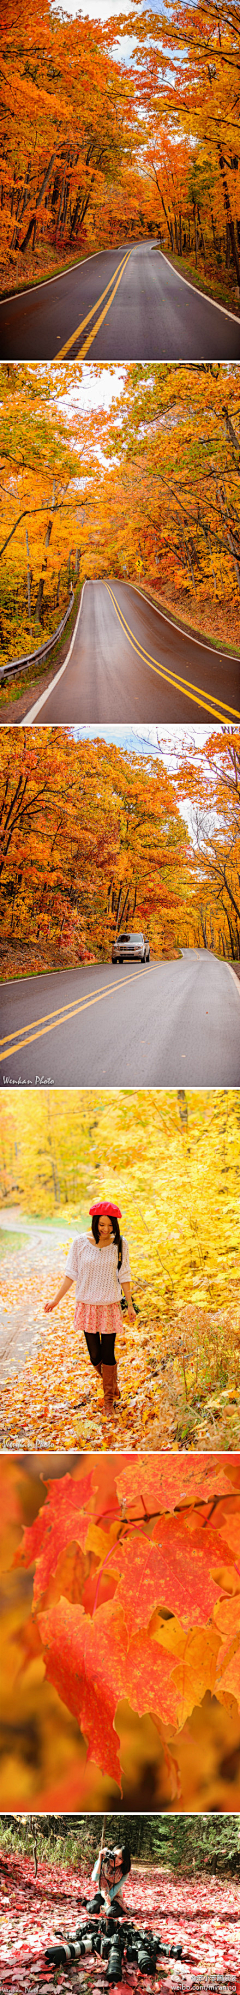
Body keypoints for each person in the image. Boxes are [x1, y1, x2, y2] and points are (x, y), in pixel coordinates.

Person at [44, 1199, 136, 1412]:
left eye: (110, 1226)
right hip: (87, 1305)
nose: (106, 1229)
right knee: (94, 1355)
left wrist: (130, 1305)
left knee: (108, 1354)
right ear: (95, 1222)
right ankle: (112, 1385)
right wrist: (55, 1300)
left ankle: (109, 1401)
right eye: (102, 1224)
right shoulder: (79, 1242)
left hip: (109, 1305)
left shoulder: (120, 1244)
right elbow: (70, 1274)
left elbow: (125, 1275)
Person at [91, 1844, 131, 1915]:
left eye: (120, 1858)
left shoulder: (123, 1872)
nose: (116, 1860)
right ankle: (91, 1903)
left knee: (110, 1912)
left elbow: (115, 1889)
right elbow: (94, 1878)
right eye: (115, 1856)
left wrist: (105, 1906)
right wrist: (100, 1859)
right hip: (101, 1893)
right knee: (91, 1908)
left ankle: (119, 1908)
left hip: (115, 1896)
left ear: (124, 1861)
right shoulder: (101, 1863)